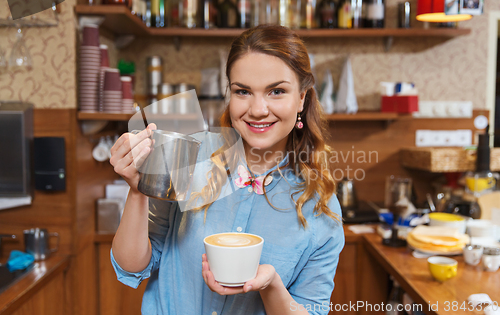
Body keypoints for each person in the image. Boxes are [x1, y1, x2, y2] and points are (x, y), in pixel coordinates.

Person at [109, 24, 345, 315]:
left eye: (277, 91)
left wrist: (271, 285)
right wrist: (137, 190)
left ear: (302, 98)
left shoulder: (320, 208)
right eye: (243, 91)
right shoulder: (189, 158)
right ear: (229, 95)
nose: (258, 109)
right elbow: (133, 266)